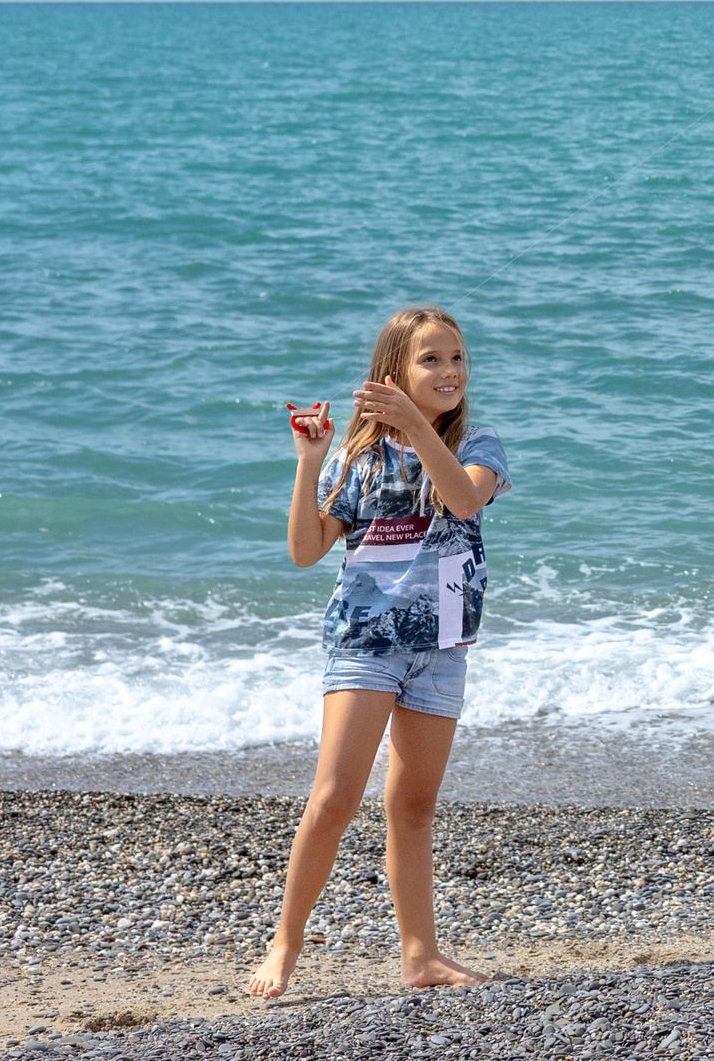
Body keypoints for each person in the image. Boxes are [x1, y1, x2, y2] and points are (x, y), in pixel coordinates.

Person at [248, 306, 511, 999]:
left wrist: (417, 425)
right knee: (334, 797)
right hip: (367, 640)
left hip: (442, 644)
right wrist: (310, 464)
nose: (450, 371)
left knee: (414, 805)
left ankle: (419, 954)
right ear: (393, 373)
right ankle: (286, 939)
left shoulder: (481, 446)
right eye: (431, 359)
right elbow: (307, 550)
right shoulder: (358, 458)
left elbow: (460, 500)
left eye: (457, 358)